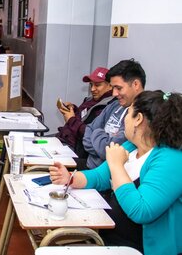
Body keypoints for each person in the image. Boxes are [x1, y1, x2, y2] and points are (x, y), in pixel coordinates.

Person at [49, 90, 182, 255]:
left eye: (128, 113)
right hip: (107, 234)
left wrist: (117, 166)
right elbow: (99, 176)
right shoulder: (131, 146)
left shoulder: (172, 159)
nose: (124, 119)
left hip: (140, 248)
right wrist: (71, 178)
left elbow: (142, 211)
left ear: (138, 119)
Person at [82, 59, 145, 168]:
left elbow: (111, 151)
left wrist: (97, 132)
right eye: (113, 87)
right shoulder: (115, 105)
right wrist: (102, 145)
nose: (114, 93)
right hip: (92, 168)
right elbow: (88, 133)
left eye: (118, 88)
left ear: (136, 84)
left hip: (109, 176)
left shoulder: (142, 114)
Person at [56, 67, 114, 168]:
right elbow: (84, 116)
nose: (92, 89)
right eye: (91, 84)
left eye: (97, 85)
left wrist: (71, 120)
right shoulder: (91, 100)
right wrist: (73, 109)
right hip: (64, 138)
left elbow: (88, 133)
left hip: (75, 149)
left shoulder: (108, 107)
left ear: (110, 86)